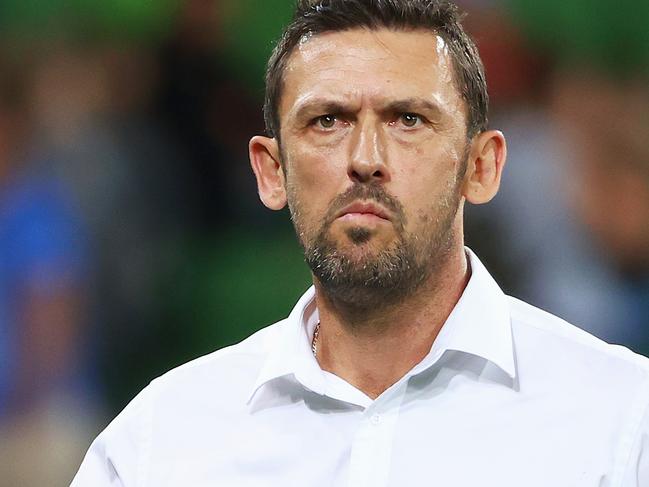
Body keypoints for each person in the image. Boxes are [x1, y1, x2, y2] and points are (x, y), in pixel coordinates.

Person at [72, 0, 649, 484]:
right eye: (328, 120)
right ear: (272, 171)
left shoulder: (620, 421)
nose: (366, 160)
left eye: (408, 119)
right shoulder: (160, 442)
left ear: (482, 166)